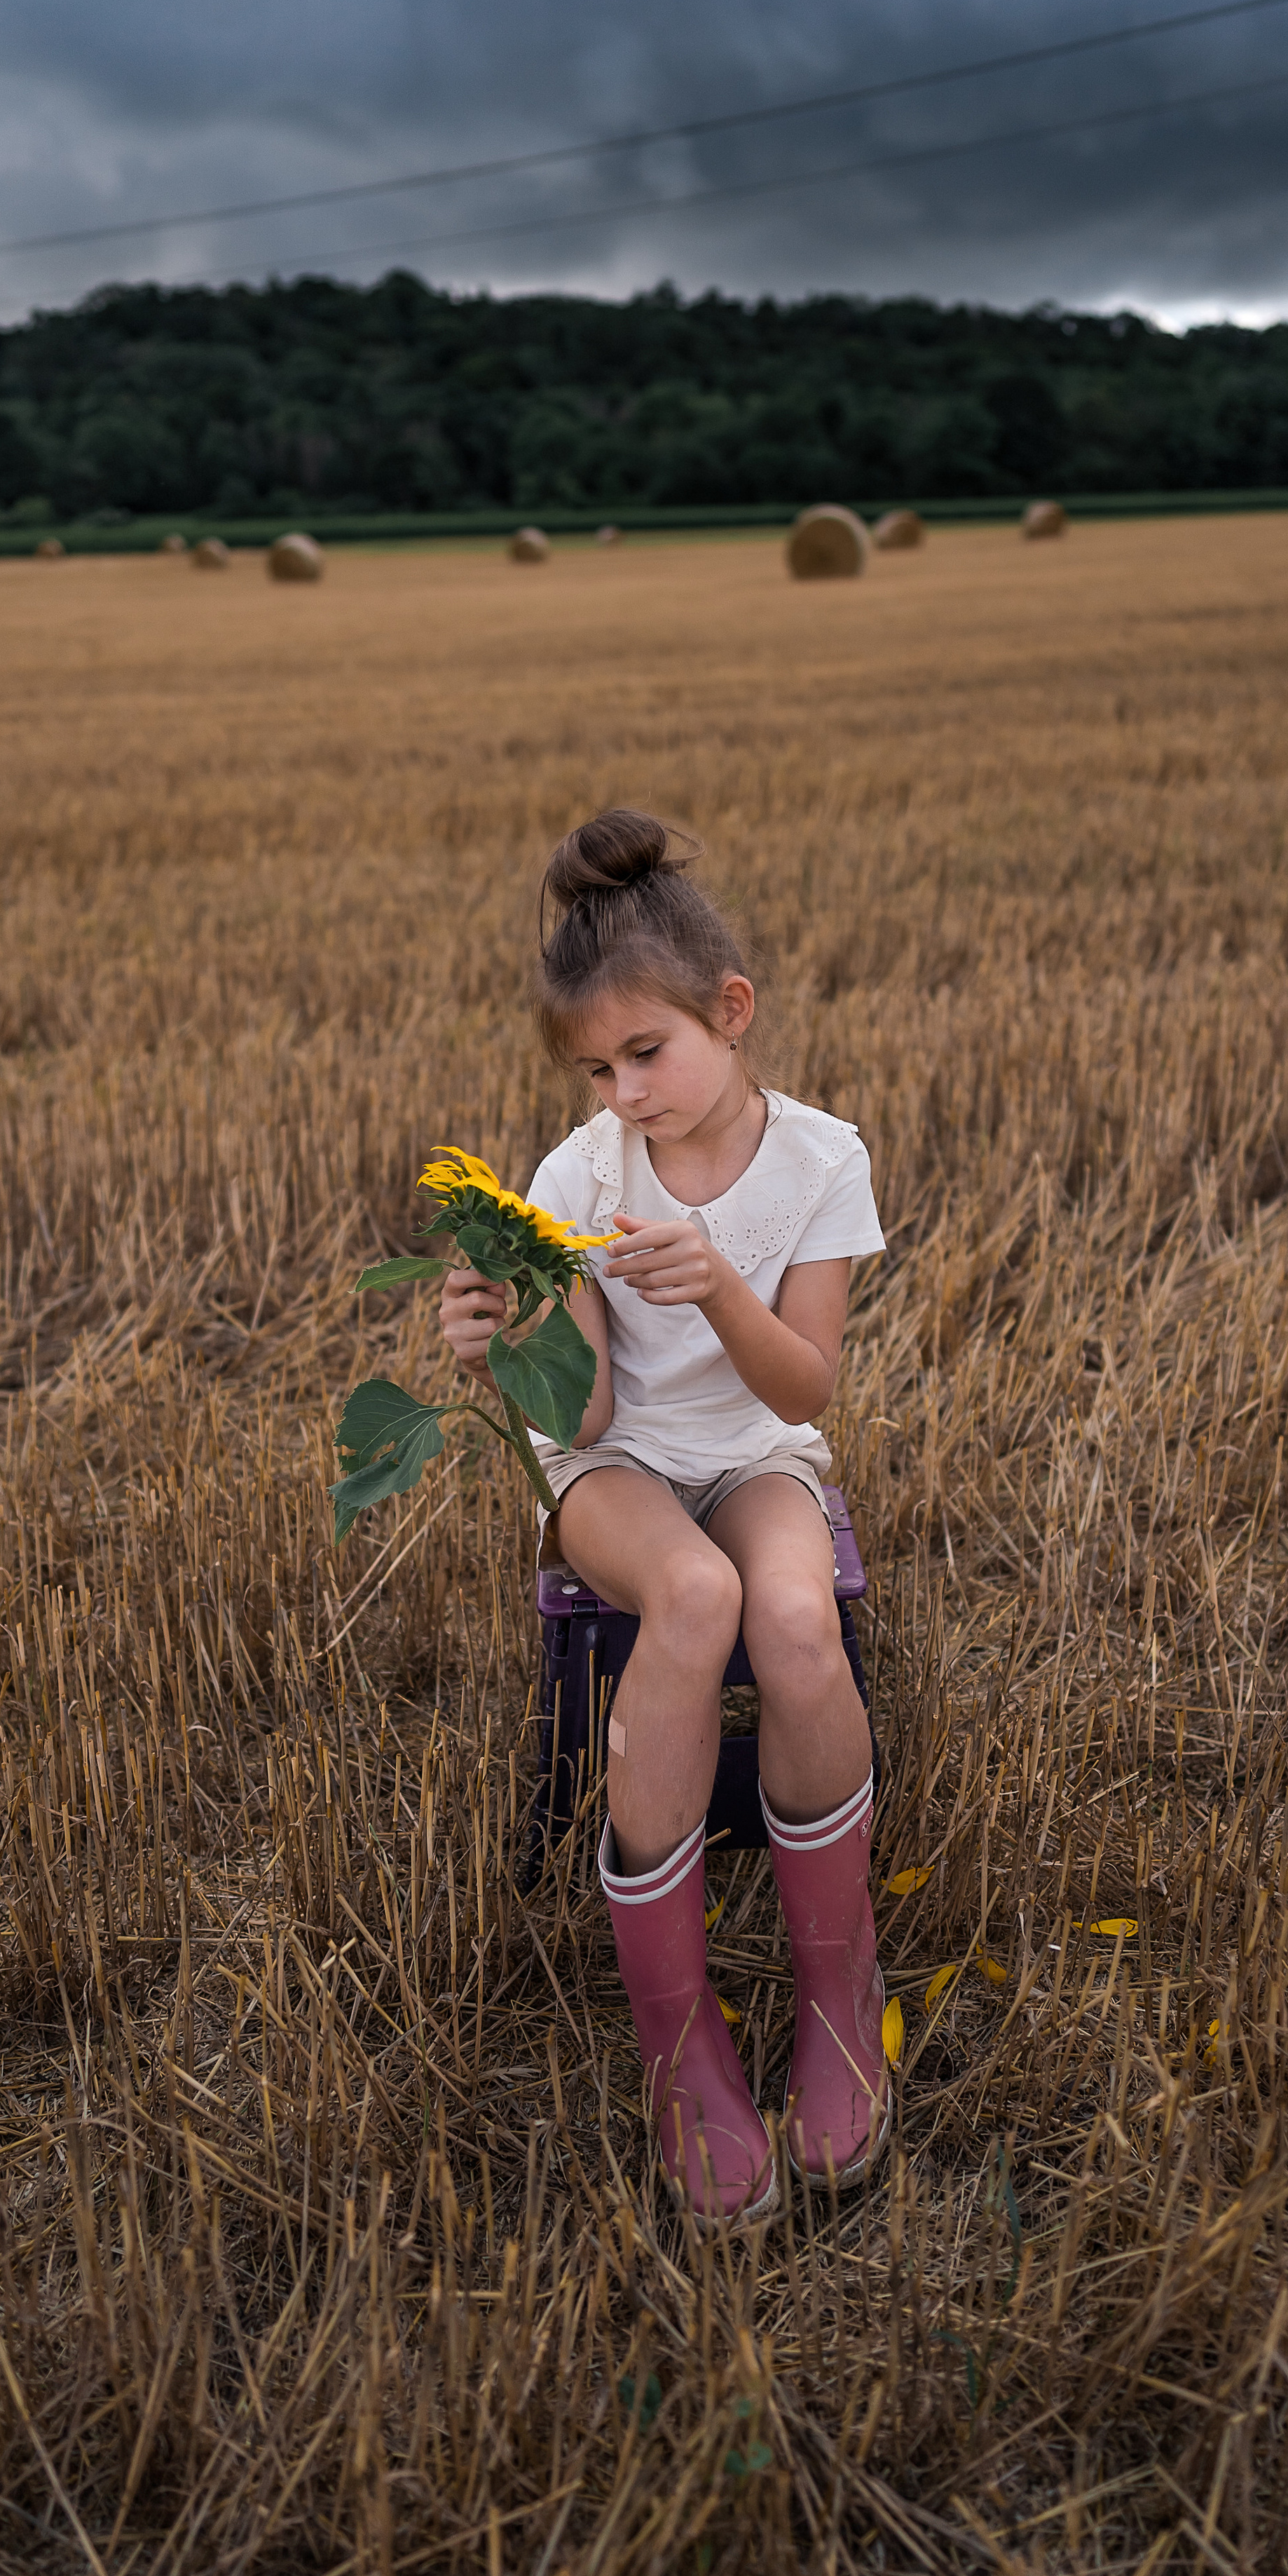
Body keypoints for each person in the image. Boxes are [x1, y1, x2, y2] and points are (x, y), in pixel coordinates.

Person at [439, 807, 889, 2221]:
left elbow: (803, 1381)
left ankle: (836, 1985)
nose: (624, 1091)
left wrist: (719, 1288)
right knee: (691, 1600)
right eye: (596, 1067)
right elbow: (571, 1422)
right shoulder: (578, 1178)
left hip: (756, 1447)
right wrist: (498, 1339)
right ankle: (676, 2032)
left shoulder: (821, 1162)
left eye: (647, 1053)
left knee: (795, 1613)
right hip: (613, 1470)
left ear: (729, 1012)